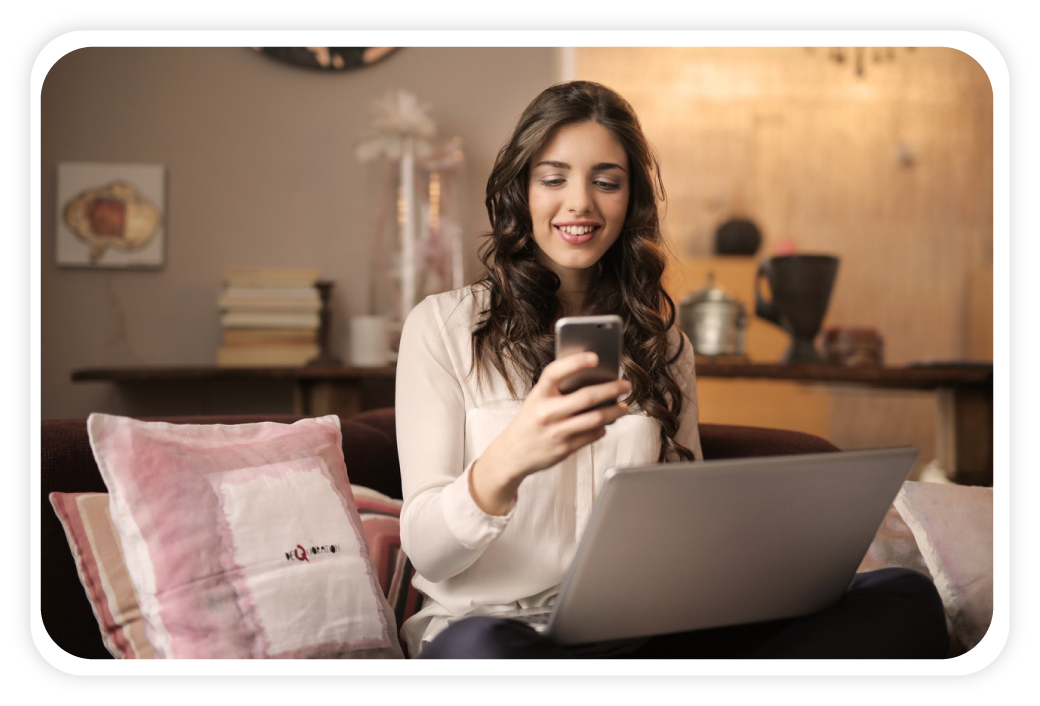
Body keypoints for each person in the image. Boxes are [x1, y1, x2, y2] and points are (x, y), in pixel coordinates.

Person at [394, 80, 948, 660]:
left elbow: (684, 525)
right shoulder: (445, 328)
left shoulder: (665, 347)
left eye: (605, 182)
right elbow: (428, 550)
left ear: (629, 201)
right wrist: (511, 458)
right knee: (481, 653)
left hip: (639, 634)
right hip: (497, 631)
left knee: (903, 598)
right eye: (553, 178)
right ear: (521, 193)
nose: (580, 203)